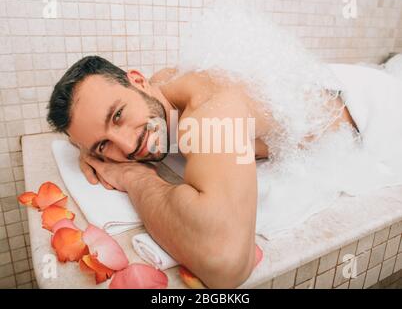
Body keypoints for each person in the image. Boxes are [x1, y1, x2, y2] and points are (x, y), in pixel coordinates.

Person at [47, 55, 358, 288]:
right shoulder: (162, 88)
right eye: (103, 146)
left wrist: (133, 177)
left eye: (117, 116)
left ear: (138, 80)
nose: (127, 147)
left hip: (367, 106)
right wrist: (89, 145)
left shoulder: (211, 109)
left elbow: (225, 260)